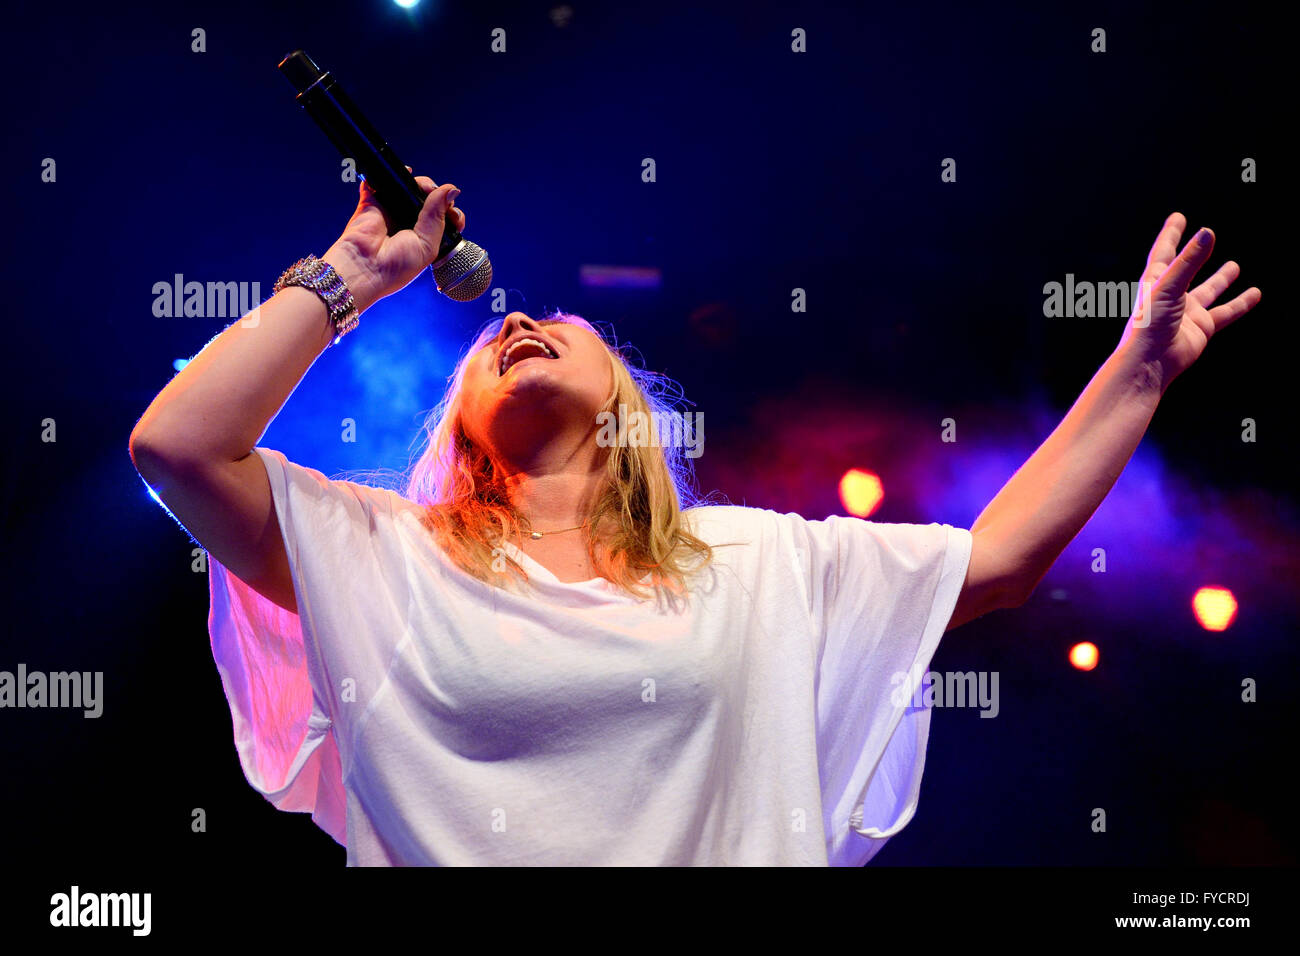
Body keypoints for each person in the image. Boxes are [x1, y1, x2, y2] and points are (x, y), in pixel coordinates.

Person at [129, 174, 1260, 866]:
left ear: (626, 402)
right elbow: (176, 446)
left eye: (560, 325)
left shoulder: (752, 559)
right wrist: (347, 275)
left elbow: (1002, 556)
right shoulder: (374, 550)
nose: (519, 320)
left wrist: (1139, 370)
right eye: (496, 336)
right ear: (461, 424)